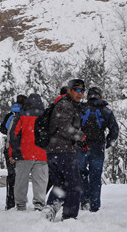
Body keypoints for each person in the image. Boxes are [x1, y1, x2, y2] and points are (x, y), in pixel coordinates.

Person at [44, 78, 86, 221]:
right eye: (77, 90)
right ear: (69, 90)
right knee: (74, 185)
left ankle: (50, 209)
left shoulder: (65, 104)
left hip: (55, 151)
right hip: (63, 151)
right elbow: (64, 128)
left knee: (61, 184)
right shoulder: (66, 105)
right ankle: (69, 218)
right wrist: (81, 136)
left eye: (82, 90)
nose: (80, 93)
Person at [77, 86, 119, 212]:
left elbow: (72, 125)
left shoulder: (81, 109)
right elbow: (114, 130)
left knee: (81, 173)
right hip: (98, 147)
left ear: (88, 96)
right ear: (100, 96)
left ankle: (84, 200)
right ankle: (95, 205)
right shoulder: (106, 111)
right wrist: (108, 142)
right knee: (95, 176)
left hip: (81, 146)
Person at [9, 93, 49, 211]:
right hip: (42, 154)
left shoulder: (21, 116)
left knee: (21, 181)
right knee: (40, 181)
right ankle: (39, 203)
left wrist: (13, 153)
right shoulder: (46, 117)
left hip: (24, 154)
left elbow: (14, 135)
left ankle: (21, 204)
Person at [0, 94, 27, 210]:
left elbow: (2, 129)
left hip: (9, 147)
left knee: (11, 175)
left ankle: (10, 202)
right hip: (23, 149)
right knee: (22, 176)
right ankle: (20, 201)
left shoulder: (10, 115)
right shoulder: (26, 115)